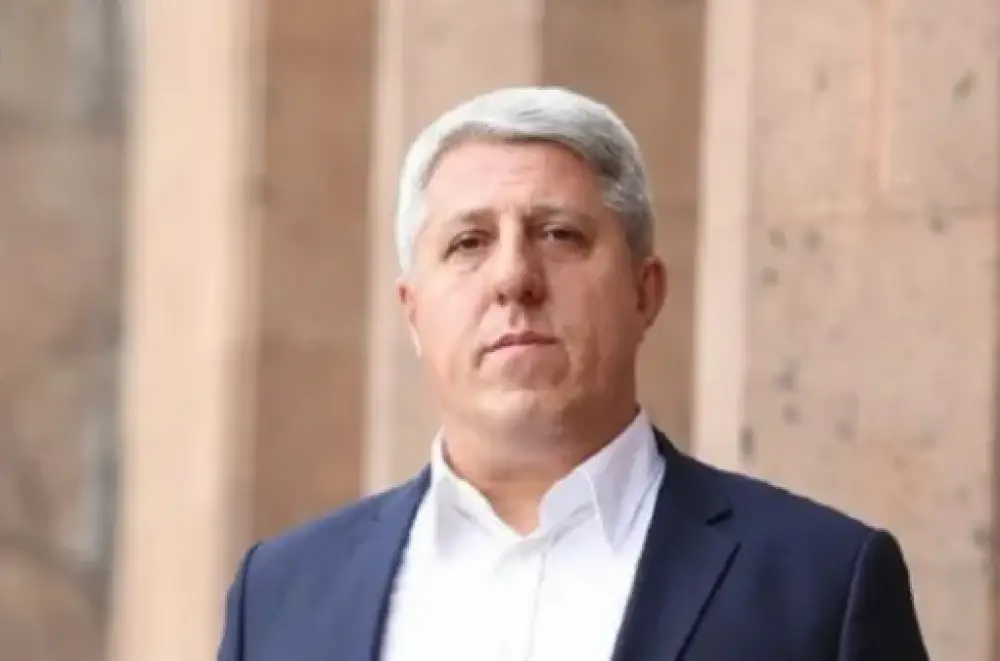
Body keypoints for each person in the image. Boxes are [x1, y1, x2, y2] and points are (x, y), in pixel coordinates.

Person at [217, 87, 928, 660]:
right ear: (413, 312)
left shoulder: (822, 584)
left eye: (558, 234)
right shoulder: (281, 596)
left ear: (645, 292)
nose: (514, 278)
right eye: (469, 242)